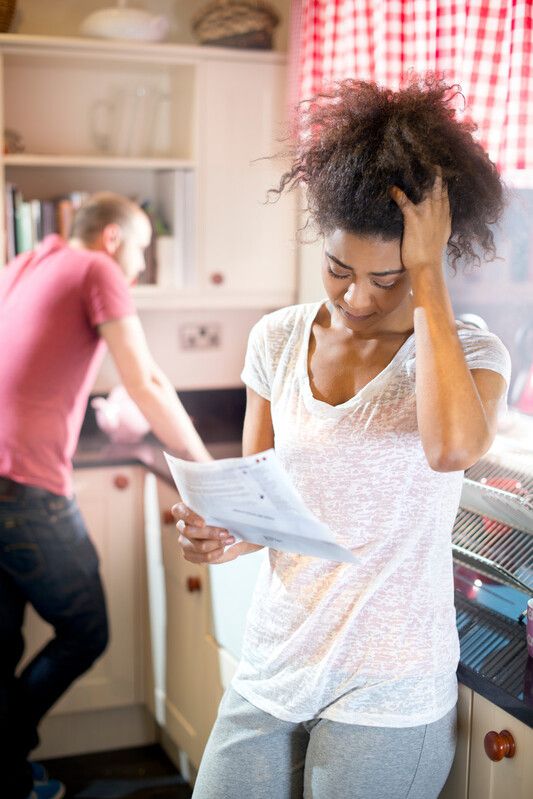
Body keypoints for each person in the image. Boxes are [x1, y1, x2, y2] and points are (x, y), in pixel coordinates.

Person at [172, 76, 512, 799]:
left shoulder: (470, 354)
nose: (357, 298)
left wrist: (426, 277)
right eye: (337, 269)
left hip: (388, 685)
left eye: (386, 277)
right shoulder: (276, 338)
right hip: (274, 660)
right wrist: (226, 533)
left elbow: (451, 448)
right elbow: (267, 497)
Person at [0, 192, 211, 799]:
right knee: (87, 630)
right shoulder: (97, 269)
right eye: (141, 249)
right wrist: (205, 472)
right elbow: (143, 380)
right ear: (113, 238)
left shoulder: (26, 262)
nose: (140, 268)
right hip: (29, 492)